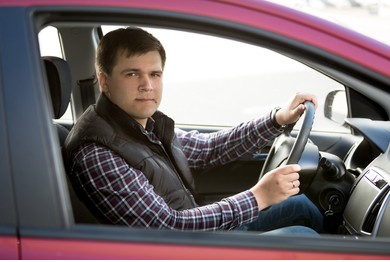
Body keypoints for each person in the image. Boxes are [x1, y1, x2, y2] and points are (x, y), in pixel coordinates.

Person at [64, 27, 324, 234]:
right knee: (303, 236)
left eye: (155, 74)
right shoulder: (97, 151)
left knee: (299, 204)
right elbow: (167, 227)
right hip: (180, 257)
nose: (147, 85)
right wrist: (258, 197)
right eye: (132, 74)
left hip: (199, 236)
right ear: (104, 81)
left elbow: (210, 148)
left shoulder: (143, 126)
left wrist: (276, 120)